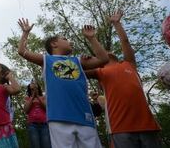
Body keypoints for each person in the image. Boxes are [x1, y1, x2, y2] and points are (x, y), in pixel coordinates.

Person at [17, 18, 109, 148]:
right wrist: (26, 32)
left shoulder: (78, 61)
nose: (70, 41)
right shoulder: (46, 60)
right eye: (65, 39)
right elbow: (22, 51)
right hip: (59, 117)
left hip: (84, 116)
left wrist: (91, 38)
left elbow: (103, 59)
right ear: (54, 44)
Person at [85, 11, 162, 148]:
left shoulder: (129, 64)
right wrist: (91, 43)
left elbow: (125, 42)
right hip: (121, 128)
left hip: (147, 126)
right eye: (104, 52)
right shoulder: (100, 72)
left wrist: (116, 23)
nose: (108, 51)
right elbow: (78, 70)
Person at [24, 79, 51, 148]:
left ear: (38, 87)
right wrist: (33, 96)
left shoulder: (43, 97)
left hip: (44, 125)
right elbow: (26, 110)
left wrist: (38, 97)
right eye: (31, 83)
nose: (33, 83)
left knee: (46, 145)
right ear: (29, 88)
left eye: (35, 83)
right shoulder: (27, 98)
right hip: (32, 125)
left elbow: (46, 108)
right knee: (35, 145)